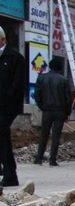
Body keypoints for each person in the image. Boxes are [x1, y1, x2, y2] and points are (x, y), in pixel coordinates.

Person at [34, 57, 71, 167]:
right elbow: (67, 99)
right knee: (56, 136)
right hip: (59, 111)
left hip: (47, 110)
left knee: (44, 134)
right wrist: (67, 113)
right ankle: (52, 160)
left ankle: (39, 158)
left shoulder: (41, 78)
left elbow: (37, 95)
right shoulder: (63, 80)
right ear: (59, 68)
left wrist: (42, 107)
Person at [0, 25, 25, 187]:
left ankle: (10, 174)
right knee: (3, 137)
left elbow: (17, 85)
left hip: (8, 107)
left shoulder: (15, 58)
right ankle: (8, 172)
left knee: (1, 133)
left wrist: (7, 98)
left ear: (2, 40)